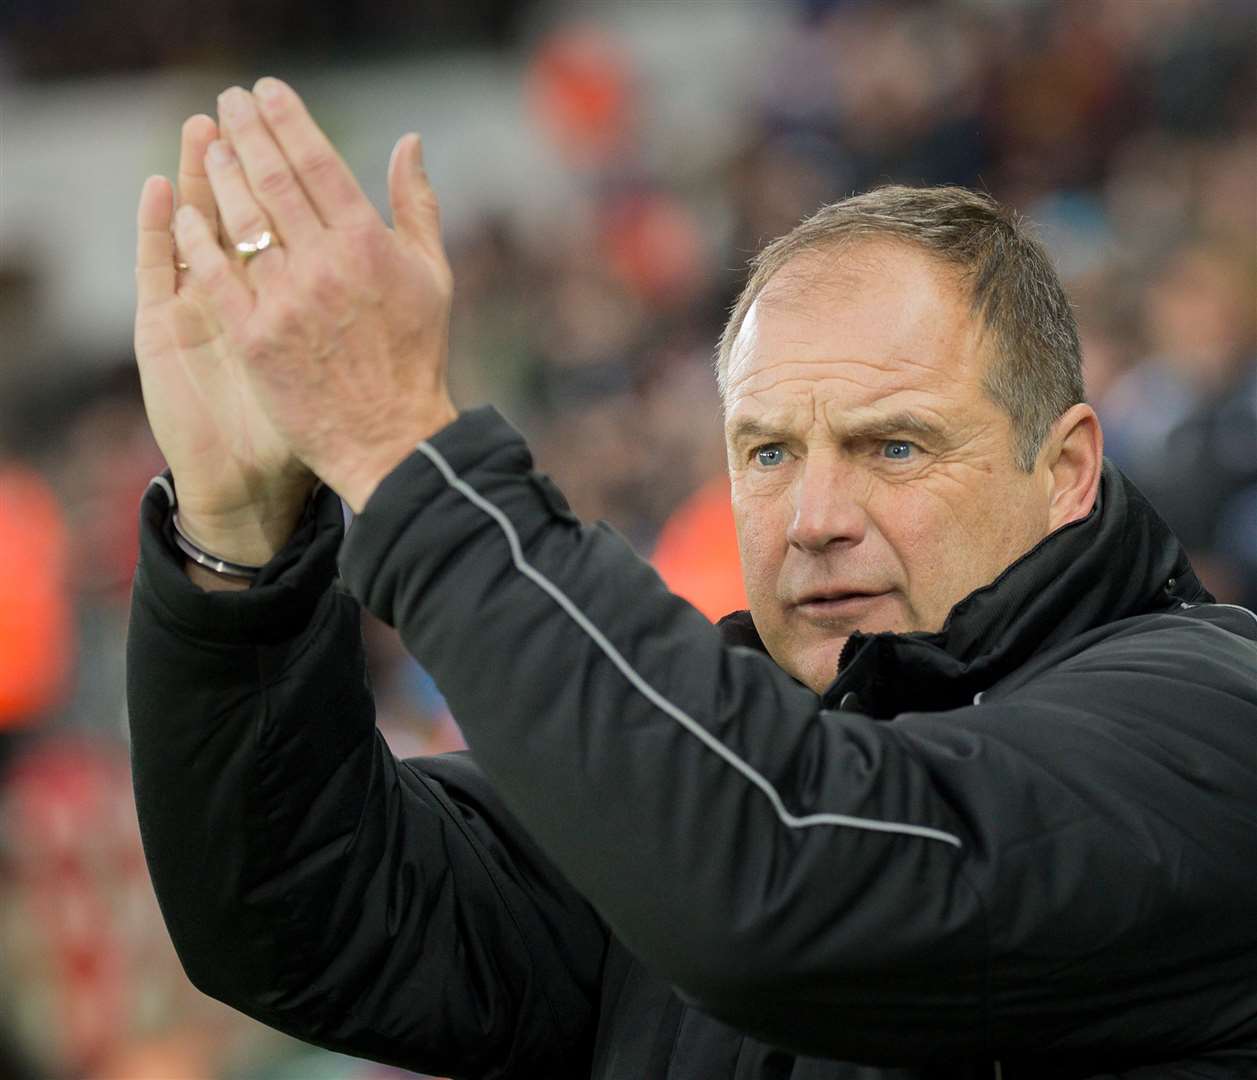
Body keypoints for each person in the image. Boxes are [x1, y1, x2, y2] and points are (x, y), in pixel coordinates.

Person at [127, 79, 1257, 1079]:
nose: (814, 521)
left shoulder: (1210, 723)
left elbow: (796, 878)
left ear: (1064, 471)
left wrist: (401, 452)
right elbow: (300, 914)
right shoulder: (698, 777)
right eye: (768, 452)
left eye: (894, 447)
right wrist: (242, 542)